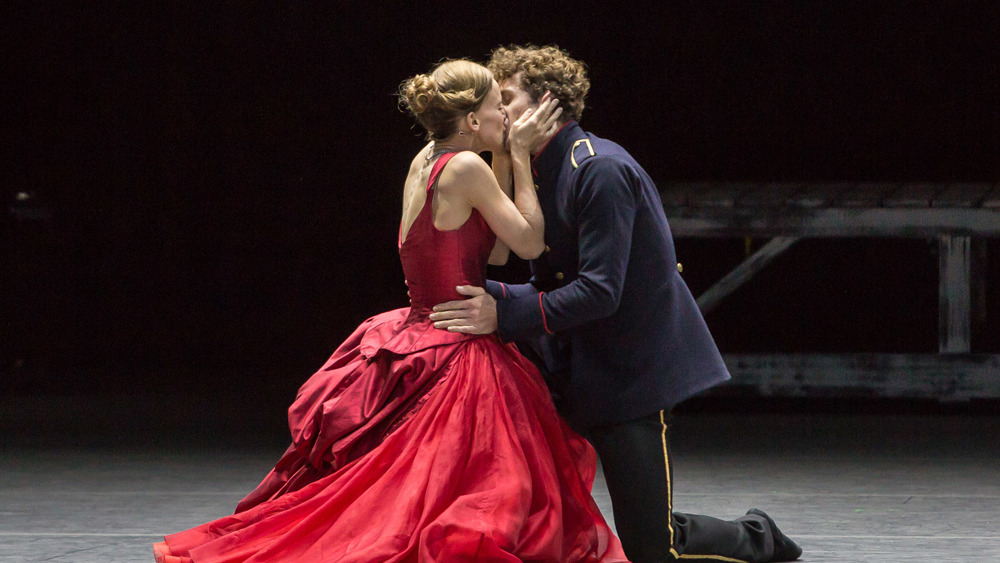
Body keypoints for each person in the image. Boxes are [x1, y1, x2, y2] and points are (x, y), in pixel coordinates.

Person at [153, 59, 628, 562]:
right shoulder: (466, 167)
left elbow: (495, 255)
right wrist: (512, 152)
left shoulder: (429, 157)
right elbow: (530, 245)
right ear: (471, 121)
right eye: (497, 109)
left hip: (418, 329)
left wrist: (506, 162)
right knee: (473, 489)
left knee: (419, 486)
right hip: (454, 346)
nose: (507, 120)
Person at [429, 45, 803, 563]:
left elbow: (599, 291)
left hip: (629, 374)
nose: (496, 111)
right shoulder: (535, 168)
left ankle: (757, 536)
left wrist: (503, 309)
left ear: (546, 107)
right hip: (573, 367)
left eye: (507, 98)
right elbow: (545, 274)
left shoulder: (598, 170)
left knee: (652, 548)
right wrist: (476, 292)